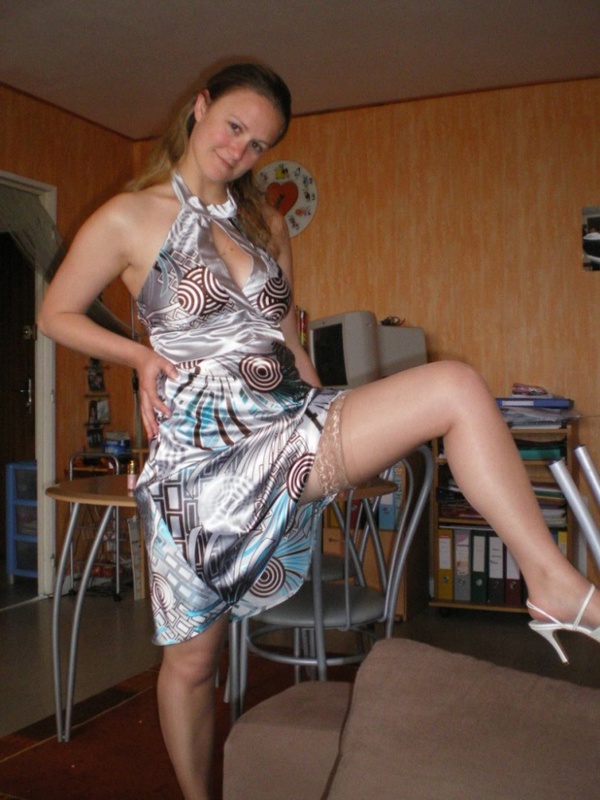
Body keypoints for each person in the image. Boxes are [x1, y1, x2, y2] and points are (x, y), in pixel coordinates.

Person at [37, 62, 599, 800]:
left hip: (287, 421)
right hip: (199, 461)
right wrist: (140, 355)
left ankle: (553, 584)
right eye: (234, 127)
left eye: (258, 144)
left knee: (456, 387)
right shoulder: (127, 217)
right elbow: (56, 315)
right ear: (199, 108)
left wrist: (341, 418)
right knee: (193, 664)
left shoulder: (264, 223)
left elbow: (287, 341)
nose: (240, 150)